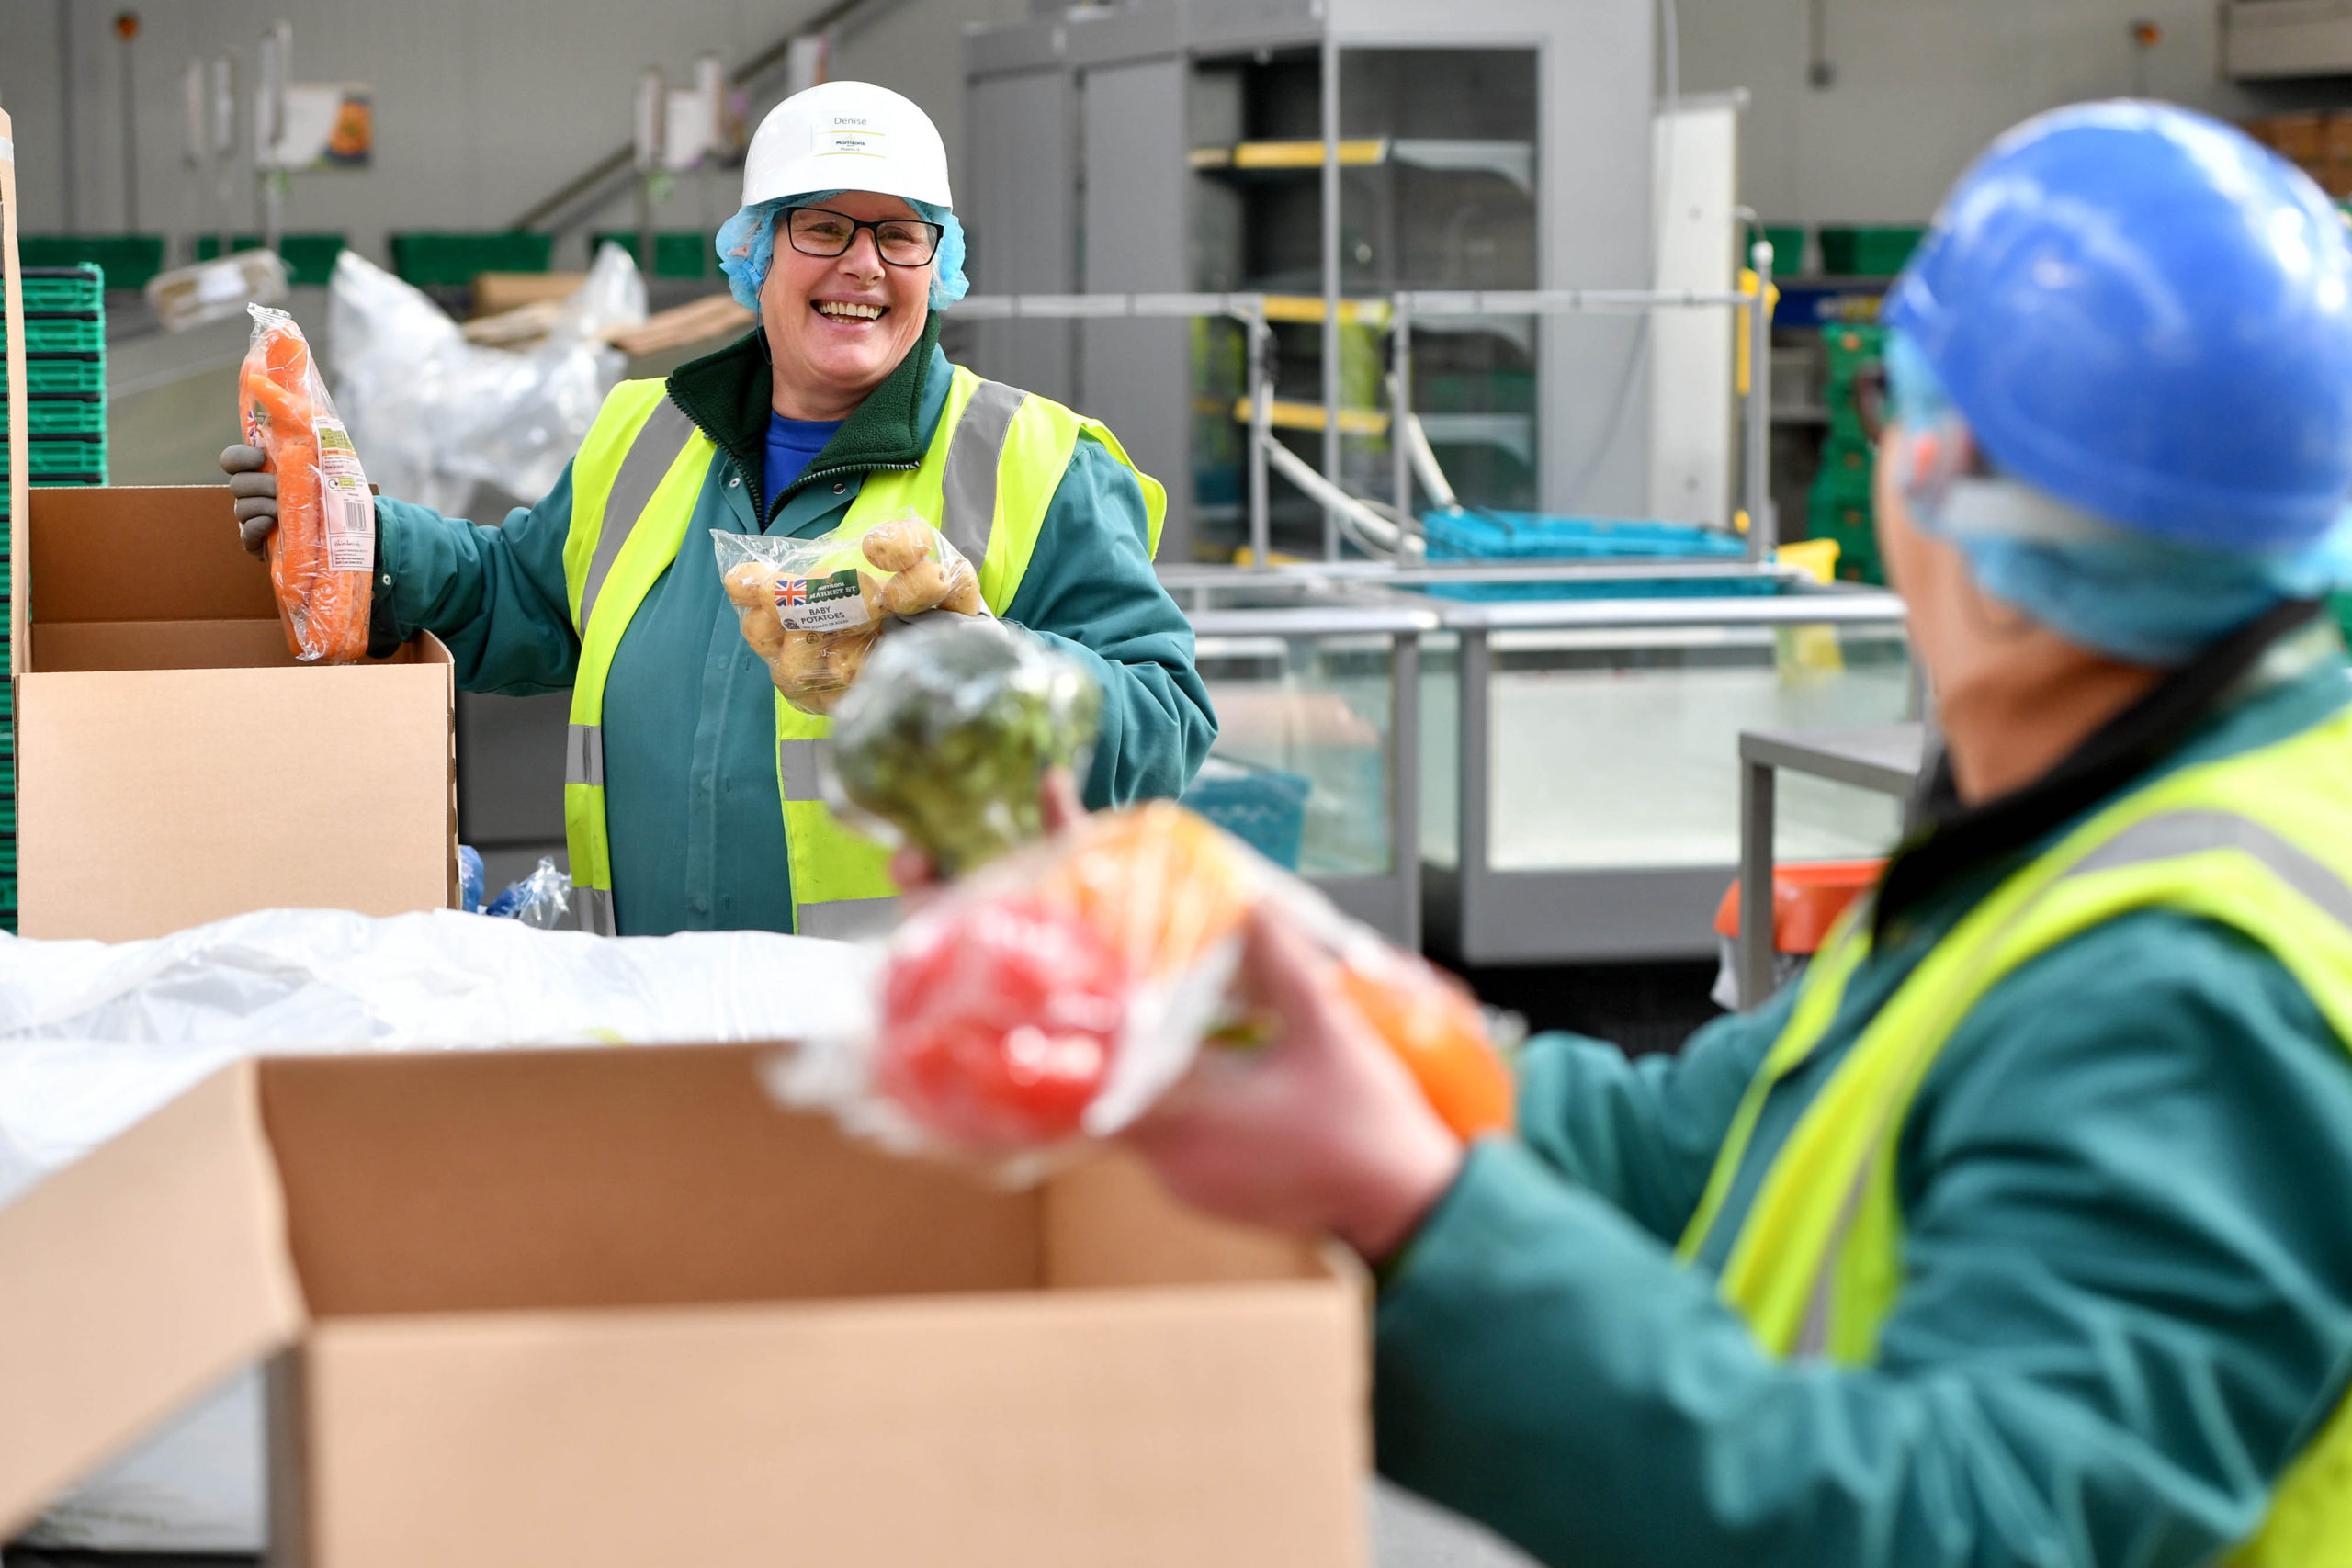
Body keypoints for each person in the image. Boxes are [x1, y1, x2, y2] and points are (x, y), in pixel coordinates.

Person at [1122, 102, 2352, 1568]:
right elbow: (1702, 1139)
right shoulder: (2112, 811)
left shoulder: (2184, 977)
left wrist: (1420, 1211)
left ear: (1941, 473)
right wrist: (1362, 1022)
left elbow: (1976, 1528)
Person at [222, 81, 1213, 939]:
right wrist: (360, 538)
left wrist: (990, 670)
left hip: (894, 1044)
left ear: (937, 265)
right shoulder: (645, 433)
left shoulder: (1037, 462)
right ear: (754, 253)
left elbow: (1165, 729)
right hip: (649, 1017)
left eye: (901, 235)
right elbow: (517, 596)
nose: (863, 265)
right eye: (822, 227)